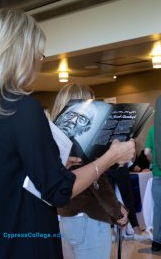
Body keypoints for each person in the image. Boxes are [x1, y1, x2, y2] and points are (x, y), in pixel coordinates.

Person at [0, 9, 135, 259]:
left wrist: (51, 166)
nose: (38, 62)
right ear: (21, 54)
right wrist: (109, 157)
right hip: (23, 241)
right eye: (38, 54)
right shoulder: (23, 109)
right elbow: (58, 192)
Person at [51, 83, 131, 259]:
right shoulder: (82, 143)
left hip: (65, 218)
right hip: (89, 217)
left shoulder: (54, 139)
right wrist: (117, 211)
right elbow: (96, 182)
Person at [144, 125, 161, 252]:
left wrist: (154, 162)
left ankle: (156, 241)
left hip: (157, 172)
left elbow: (147, 152)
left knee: (158, 208)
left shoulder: (153, 129)